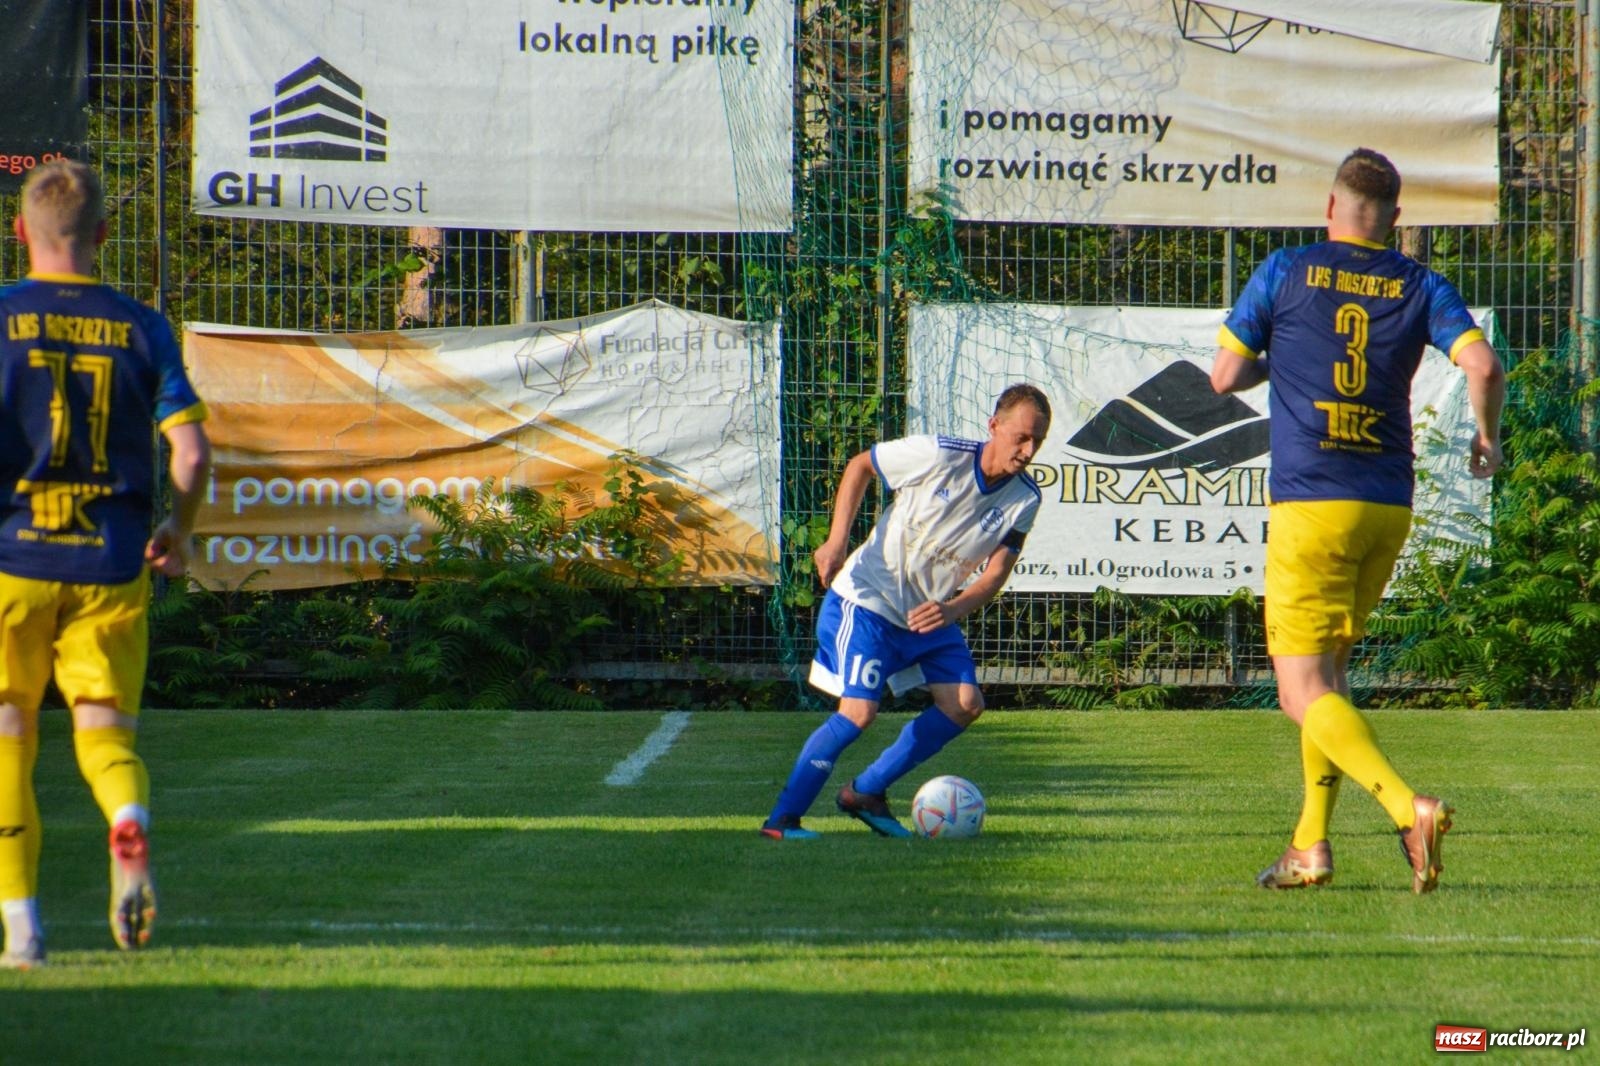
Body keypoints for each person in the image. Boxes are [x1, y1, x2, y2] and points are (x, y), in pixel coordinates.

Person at [1211, 147, 1505, 893]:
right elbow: (1483, 366)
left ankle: (1410, 809)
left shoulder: (1286, 269)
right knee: (1330, 679)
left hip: (1314, 502)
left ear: (1330, 208)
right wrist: (1487, 437)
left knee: (1299, 693)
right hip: (1385, 506)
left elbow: (1224, 375)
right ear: (1395, 220)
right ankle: (1309, 845)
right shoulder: (1420, 283)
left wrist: (1281, 358)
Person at [0, 160, 212, 967]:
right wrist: (178, 530)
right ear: (103, 235)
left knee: (9, 739)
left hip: (14, 558)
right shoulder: (141, 325)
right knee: (104, 737)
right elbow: (191, 452)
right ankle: (127, 818)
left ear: (19, 232)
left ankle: (23, 932)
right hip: (112, 561)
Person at [761, 384, 1050, 840]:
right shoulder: (939, 454)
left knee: (965, 705)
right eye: (1022, 437)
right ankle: (782, 821)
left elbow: (995, 575)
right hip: (868, 600)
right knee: (858, 713)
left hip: (928, 617)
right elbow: (861, 465)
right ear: (994, 426)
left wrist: (952, 609)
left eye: (1038, 441)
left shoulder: (1025, 498)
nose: (1029, 451)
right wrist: (836, 541)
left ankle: (865, 792)